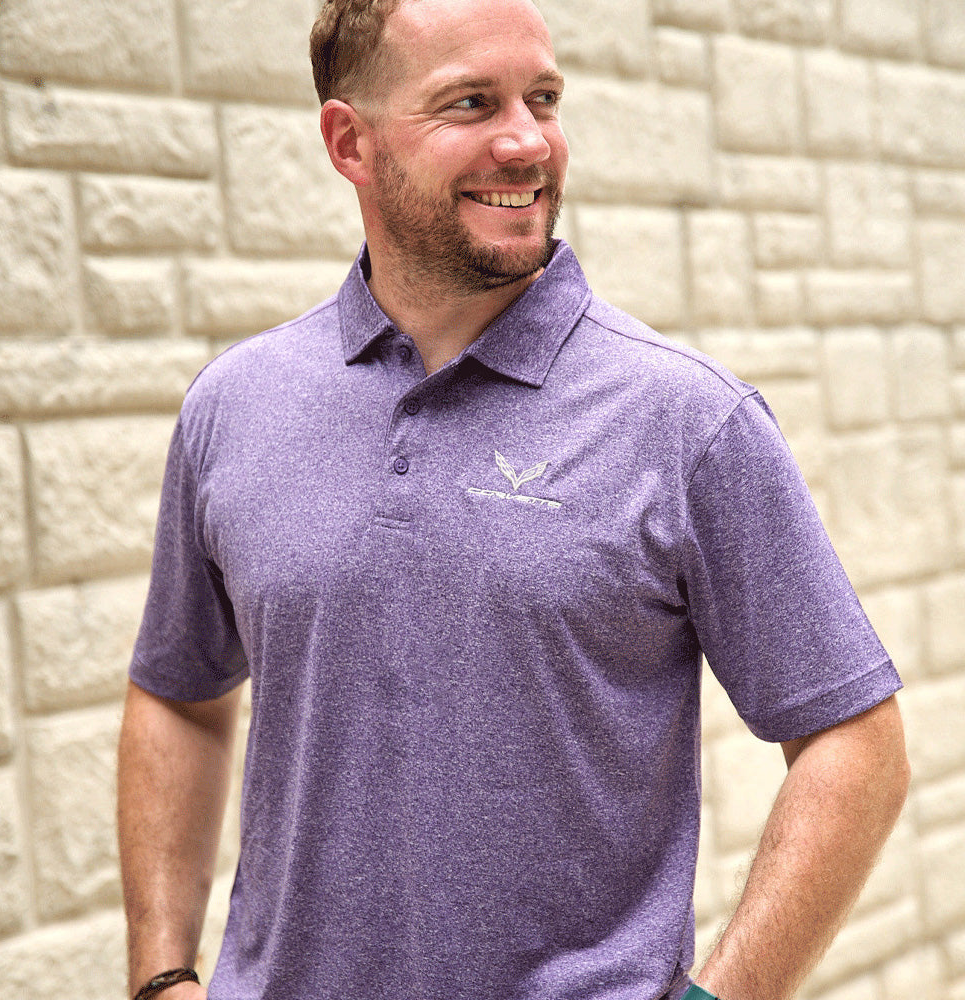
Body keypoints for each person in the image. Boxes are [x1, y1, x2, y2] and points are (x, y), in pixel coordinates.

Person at [117, 0, 910, 998]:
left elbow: (854, 741)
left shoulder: (684, 419)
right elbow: (178, 695)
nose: (526, 140)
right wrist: (159, 974)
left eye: (542, 97)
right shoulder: (234, 406)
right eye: (470, 103)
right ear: (348, 141)